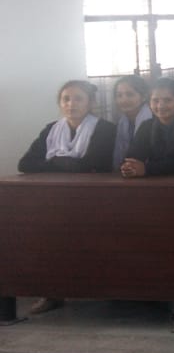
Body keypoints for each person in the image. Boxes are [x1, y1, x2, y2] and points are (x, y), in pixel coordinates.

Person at [18, 80, 116, 315]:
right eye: (66, 99)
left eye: (78, 99)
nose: (71, 104)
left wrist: (53, 161)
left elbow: (94, 164)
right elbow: (26, 163)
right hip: (54, 201)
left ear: (91, 103)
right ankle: (52, 293)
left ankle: (103, 291)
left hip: (94, 201)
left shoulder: (105, 128)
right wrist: (65, 164)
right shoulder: (51, 129)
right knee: (49, 243)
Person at [121, 78, 174, 178]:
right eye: (155, 100)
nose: (160, 106)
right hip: (156, 182)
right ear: (149, 102)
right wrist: (129, 167)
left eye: (167, 100)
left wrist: (147, 169)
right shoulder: (146, 126)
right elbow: (132, 157)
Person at [109, 75, 152, 172]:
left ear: (144, 97)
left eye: (129, 94)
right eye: (119, 95)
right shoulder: (122, 122)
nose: (124, 100)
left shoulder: (153, 121)